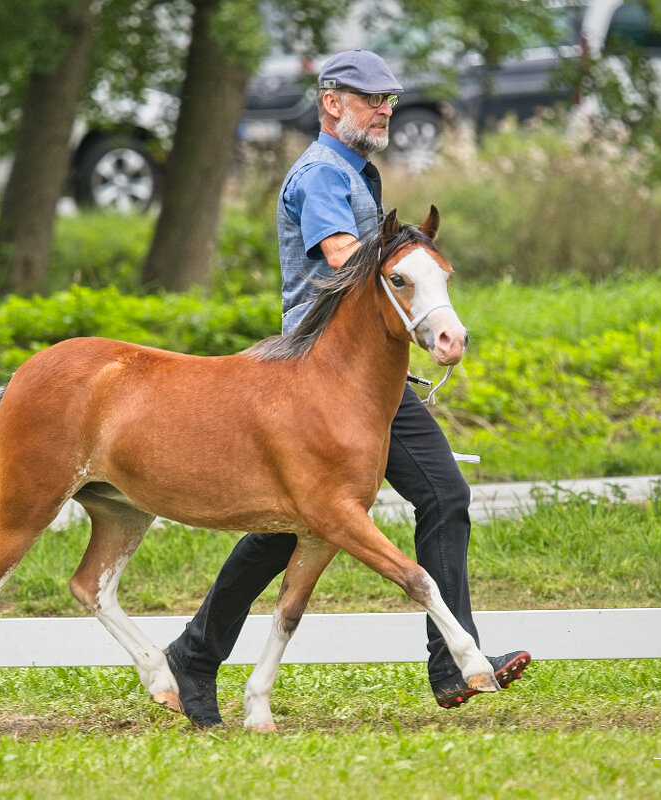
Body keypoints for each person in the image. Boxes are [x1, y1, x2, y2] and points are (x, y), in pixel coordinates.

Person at [164, 50, 531, 727]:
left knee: (438, 495)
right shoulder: (321, 176)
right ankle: (195, 653)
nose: (385, 108)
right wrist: (407, 257)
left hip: (366, 380)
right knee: (288, 529)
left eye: (390, 98)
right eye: (371, 98)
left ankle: (448, 663)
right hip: (315, 385)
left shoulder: (356, 172)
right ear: (332, 102)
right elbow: (344, 258)